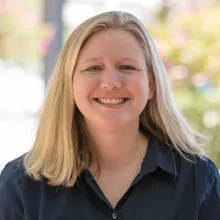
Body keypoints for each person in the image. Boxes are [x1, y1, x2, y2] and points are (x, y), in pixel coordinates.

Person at [0, 11, 219, 220]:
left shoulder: (199, 179)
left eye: (127, 67)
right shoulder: (20, 185)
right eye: (94, 68)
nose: (111, 83)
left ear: (151, 85)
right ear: (70, 83)